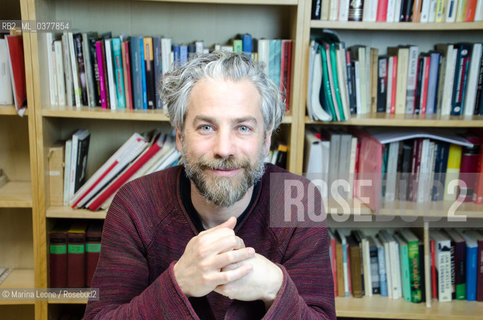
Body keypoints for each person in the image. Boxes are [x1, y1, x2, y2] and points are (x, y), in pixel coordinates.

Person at [84, 51, 335, 319]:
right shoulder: (134, 205)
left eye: (243, 128)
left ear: (266, 141)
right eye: (206, 127)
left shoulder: (299, 202)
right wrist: (178, 283)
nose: (224, 149)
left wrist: (274, 287)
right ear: (180, 137)